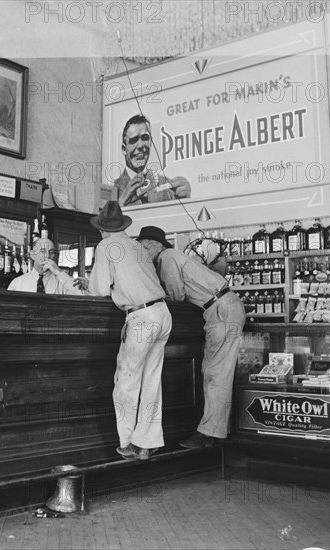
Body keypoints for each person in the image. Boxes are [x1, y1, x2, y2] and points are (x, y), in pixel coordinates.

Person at [77, 201, 172, 461]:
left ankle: (127, 443)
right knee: (152, 380)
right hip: (162, 313)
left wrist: (88, 284)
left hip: (141, 317)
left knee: (127, 381)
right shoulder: (136, 246)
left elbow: (98, 291)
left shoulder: (106, 245)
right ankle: (147, 443)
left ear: (102, 230)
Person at [136, 225, 245, 448]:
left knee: (216, 374)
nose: (142, 253)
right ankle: (216, 430)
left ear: (154, 246)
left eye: (144, 248)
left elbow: (176, 294)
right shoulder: (170, 256)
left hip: (220, 311)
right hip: (223, 308)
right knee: (215, 372)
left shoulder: (166, 257)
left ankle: (209, 434)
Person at [114, 114, 191, 207]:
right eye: (133, 140)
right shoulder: (113, 189)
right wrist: (121, 203)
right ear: (123, 149)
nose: (140, 145)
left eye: (145, 138)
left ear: (151, 142)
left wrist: (185, 202)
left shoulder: (166, 185)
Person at [7, 237, 85, 295]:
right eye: (43, 251)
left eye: (51, 252)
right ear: (32, 255)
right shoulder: (17, 284)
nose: (47, 256)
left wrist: (59, 272)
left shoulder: (62, 283)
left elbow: (83, 296)